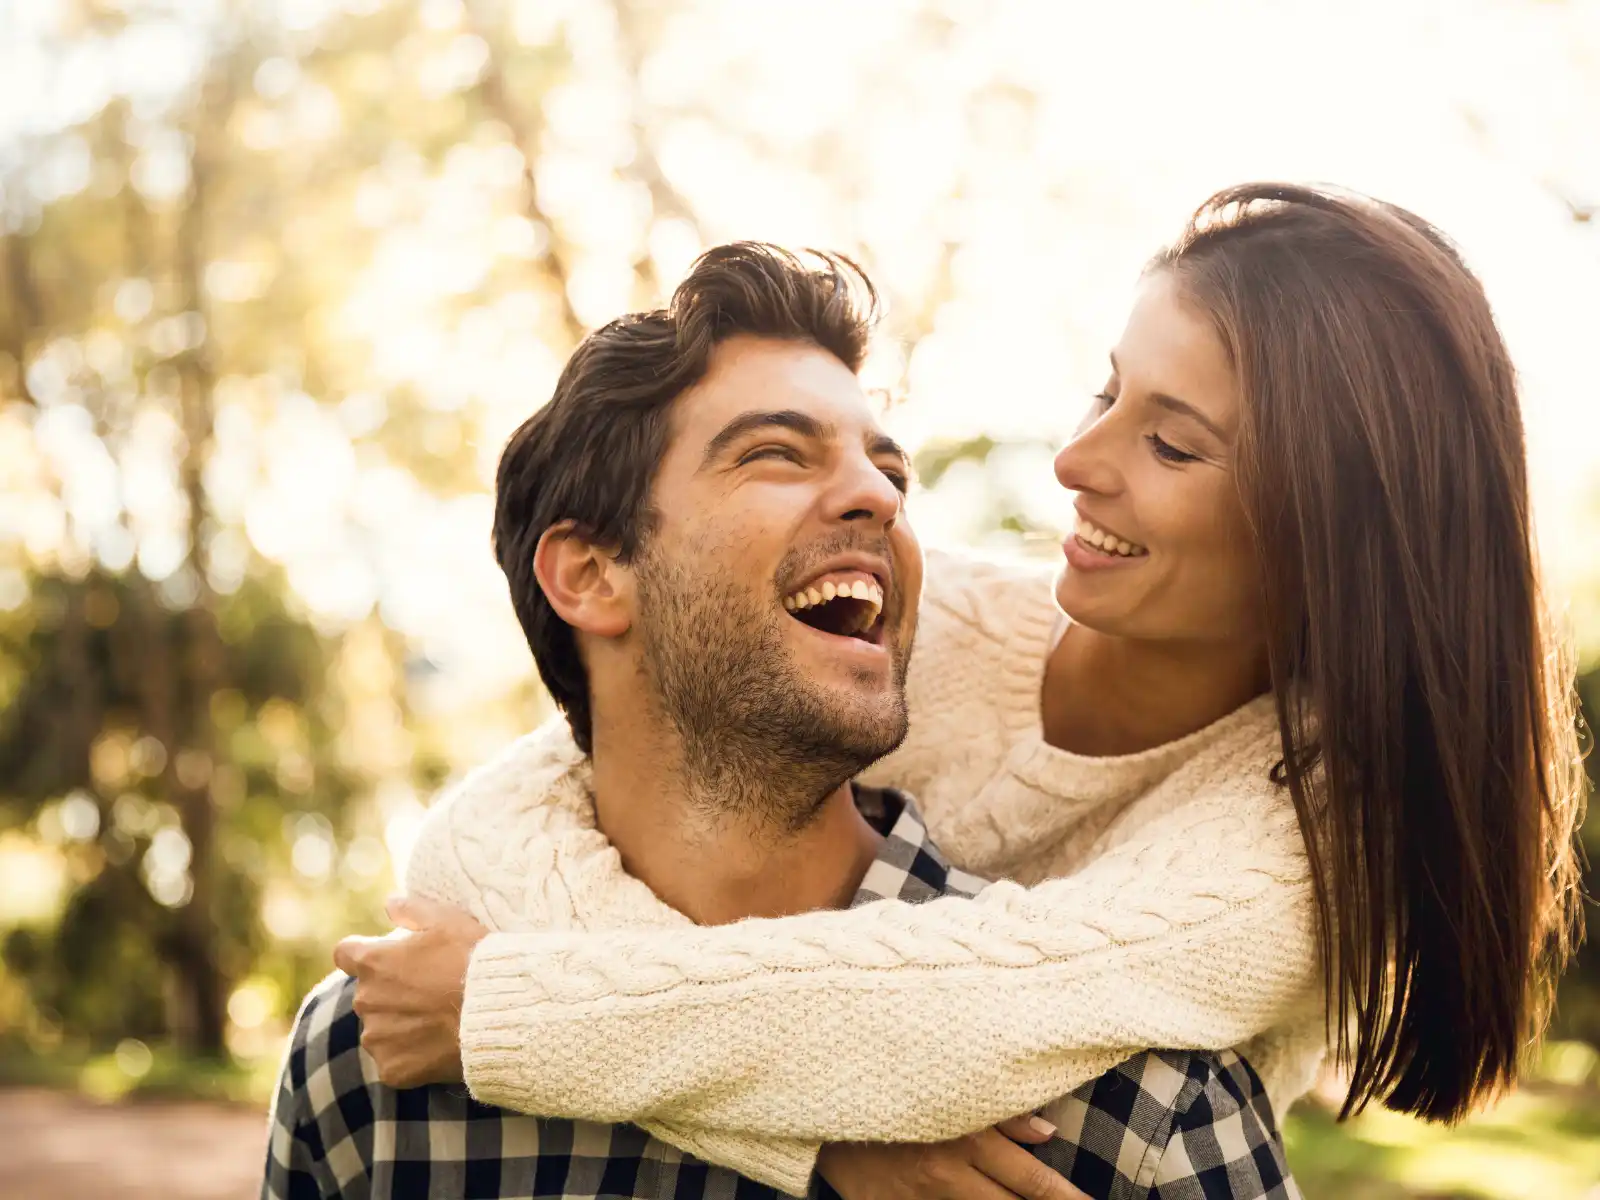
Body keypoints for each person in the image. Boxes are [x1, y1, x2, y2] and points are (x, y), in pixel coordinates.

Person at [340, 185, 1587, 1197]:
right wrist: (810, 1133)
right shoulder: (912, 623)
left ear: (1323, 541)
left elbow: (963, 1021)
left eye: (1170, 442)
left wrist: (505, 1014)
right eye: (1108, 392)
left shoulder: (1291, 849)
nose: (1072, 460)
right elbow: (519, 807)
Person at [266, 243, 1298, 1199]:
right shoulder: (371, 1071)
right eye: (777, 455)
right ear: (589, 573)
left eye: (891, 473)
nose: (882, 499)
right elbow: (487, 816)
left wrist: (508, 1016)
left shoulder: (1136, 1118)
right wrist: (809, 1133)